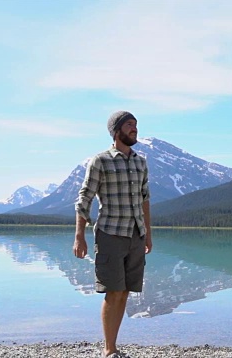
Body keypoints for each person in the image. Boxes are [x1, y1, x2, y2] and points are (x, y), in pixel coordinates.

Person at [73, 110, 153, 358]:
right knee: (113, 290)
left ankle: (114, 346)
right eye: (129, 125)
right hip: (110, 234)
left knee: (126, 290)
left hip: (135, 235)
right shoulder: (101, 161)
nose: (135, 129)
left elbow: (145, 199)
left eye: (136, 125)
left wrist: (148, 234)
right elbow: (85, 198)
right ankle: (109, 349)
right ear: (116, 131)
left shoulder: (141, 162)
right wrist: (79, 235)